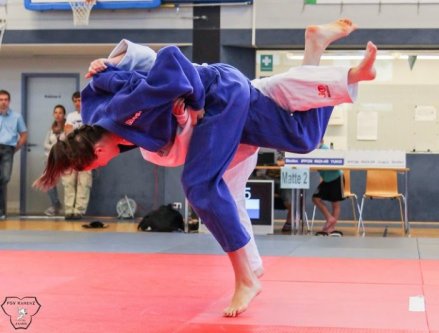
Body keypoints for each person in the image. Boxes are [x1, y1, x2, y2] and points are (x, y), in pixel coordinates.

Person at [35, 19, 377, 317]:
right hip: (234, 111)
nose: (101, 166)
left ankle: (245, 277)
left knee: (199, 185)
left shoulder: (125, 110)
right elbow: (109, 80)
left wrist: (191, 101)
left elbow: (167, 57)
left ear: (96, 151)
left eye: (93, 164)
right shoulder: (102, 116)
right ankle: (315, 48)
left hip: (219, 98)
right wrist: (110, 67)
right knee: (303, 137)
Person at [61, 91, 92, 220]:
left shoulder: (90, 113)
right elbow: (68, 132)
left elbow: (91, 132)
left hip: (87, 152)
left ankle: (79, 210)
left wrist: (76, 132)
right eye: (75, 101)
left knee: (84, 182)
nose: (78, 103)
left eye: (79, 100)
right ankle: (69, 210)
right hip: (72, 152)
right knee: (69, 181)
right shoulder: (71, 116)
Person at [0, 90, 28, 219]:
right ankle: (1, 211)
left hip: (7, 149)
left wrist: (14, 149)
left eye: (6, 99)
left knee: (4, 178)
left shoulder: (16, 116)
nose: (3, 102)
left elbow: (24, 135)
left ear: (9, 101)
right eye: (1, 99)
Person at [312, 139, 345, 236]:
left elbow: (335, 163)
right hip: (326, 179)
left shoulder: (325, 150)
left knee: (335, 203)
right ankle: (330, 218)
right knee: (315, 198)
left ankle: (331, 228)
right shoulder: (314, 151)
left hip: (336, 178)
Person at [43, 104, 66, 216]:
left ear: (64, 114)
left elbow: (67, 144)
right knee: (49, 183)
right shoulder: (51, 129)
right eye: (55, 112)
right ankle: (55, 204)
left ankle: (70, 208)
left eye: (60, 112)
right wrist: (55, 147)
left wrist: (56, 147)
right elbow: (45, 144)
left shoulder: (67, 128)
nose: (57, 115)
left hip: (63, 160)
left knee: (66, 183)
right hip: (50, 160)